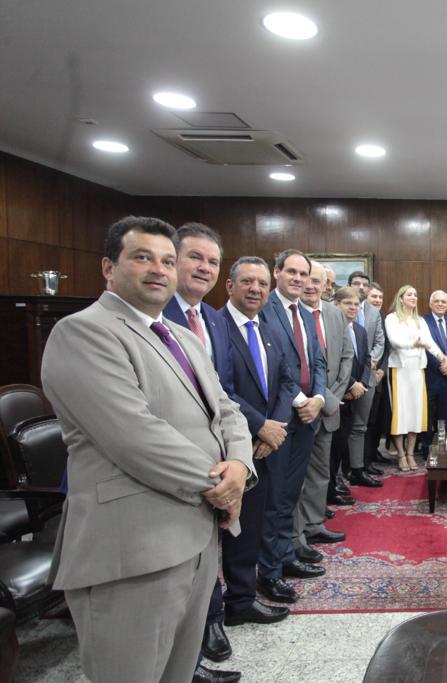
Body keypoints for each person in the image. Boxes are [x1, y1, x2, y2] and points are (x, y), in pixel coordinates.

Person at [41, 216, 253, 683]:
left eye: (167, 261)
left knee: (177, 671)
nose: (158, 270)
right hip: (133, 548)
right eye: (142, 257)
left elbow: (227, 410)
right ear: (108, 267)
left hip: (197, 538)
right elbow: (134, 436)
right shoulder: (84, 332)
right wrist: (221, 485)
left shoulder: (180, 336)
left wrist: (239, 464)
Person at [159, 223, 241, 680]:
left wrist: (237, 463)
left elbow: (223, 398)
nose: (203, 268)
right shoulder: (148, 318)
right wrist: (216, 476)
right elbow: (140, 427)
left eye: (211, 260)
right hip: (166, 478)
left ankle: (193, 656)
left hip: (217, 467)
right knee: (171, 582)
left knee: (202, 564)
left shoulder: (206, 321)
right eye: (193, 257)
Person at [217, 257, 295, 632]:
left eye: (262, 284)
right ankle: (222, 606)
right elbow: (220, 388)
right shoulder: (215, 327)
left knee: (255, 521)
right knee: (229, 527)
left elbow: (286, 381)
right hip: (231, 445)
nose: (256, 289)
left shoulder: (268, 329)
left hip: (268, 441)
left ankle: (242, 598)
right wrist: (260, 425)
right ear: (229, 286)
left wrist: (274, 426)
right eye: (247, 282)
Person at [257, 249, 330, 604]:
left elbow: (317, 359)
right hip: (280, 417)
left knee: (290, 493)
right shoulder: (264, 309)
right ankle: (268, 571)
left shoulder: (305, 313)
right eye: (292, 273)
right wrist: (300, 402)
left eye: (304, 274)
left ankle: (285, 556)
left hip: (308, 418)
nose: (299, 279)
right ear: (277, 272)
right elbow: (277, 363)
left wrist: (318, 397)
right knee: (272, 497)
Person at [293, 262, 354, 565]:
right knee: (295, 477)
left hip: (329, 406)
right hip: (299, 408)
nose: (312, 286)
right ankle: (295, 535)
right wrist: (318, 398)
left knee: (320, 471)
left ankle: (314, 524)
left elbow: (346, 356)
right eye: (307, 279)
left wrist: (332, 398)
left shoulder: (334, 314)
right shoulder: (289, 315)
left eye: (318, 281)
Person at [385, 285, 447, 470]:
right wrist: (413, 343)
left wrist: (440, 355)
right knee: (401, 414)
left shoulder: (419, 320)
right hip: (399, 370)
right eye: (409, 294)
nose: (414, 297)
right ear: (401, 298)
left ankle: (411, 454)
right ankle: (401, 454)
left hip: (417, 371)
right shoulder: (392, 318)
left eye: (415, 294)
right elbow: (394, 341)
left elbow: (429, 342)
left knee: (414, 413)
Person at [333, 286, 378, 487]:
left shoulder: (359, 330)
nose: (353, 308)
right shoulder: (331, 328)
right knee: (337, 437)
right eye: (347, 303)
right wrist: (351, 384)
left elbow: (367, 358)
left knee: (358, 428)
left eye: (356, 305)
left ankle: (357, 471)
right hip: (340, 392)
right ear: (336, 304)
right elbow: (333, 362)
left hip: (361, 387)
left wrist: (362, 383)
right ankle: (335, 479)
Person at [348, 271, 386, 472]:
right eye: (356, 283)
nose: (361, 287)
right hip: (345, 377)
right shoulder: (338, 309)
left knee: (361, 426)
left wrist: (371, 359)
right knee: (340, 428)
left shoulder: (373, 312)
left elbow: (380, 341)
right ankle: (340, 471)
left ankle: (358, 468)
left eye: (364, 284)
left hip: (368, 375)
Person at [423, 290, 447, 445]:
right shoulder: (422, 321)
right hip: (430, 376)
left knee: (445, 416)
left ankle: (443, 448)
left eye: (443, 302)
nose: (440, 304)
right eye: (436, 301)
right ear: (431, 304)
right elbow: (424, 348)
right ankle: (426, 448)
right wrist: (440, 364)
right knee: (427, 416)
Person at [363, 281, 392, 464]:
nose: (377, 300)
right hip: (365, 375)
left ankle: (372, 454)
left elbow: (387, 347)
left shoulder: (382, 316)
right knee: (364, 421)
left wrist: (382, 369)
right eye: (374, 296)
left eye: (380, 297)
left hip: (380, 375)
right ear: (366, 298)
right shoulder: (363, 316)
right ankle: (363, 460)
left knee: (376, 420)